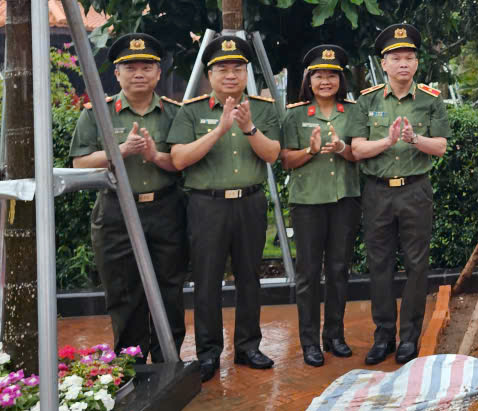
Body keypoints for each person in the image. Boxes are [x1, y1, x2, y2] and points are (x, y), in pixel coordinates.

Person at [168, 35, 282, 382]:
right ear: (210, 74)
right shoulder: (192, 110)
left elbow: (272, 154)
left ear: (246, 73)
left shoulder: (262, 108)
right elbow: (178, 159)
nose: (230, 75)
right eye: (222, 69)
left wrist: (248, 128)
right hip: (207, 205)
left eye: (237, 68)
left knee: (250, 277)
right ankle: (208, 353)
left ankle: (248, 346)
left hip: (250, 202)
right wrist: (219, 131)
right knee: (207, 280)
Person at [69, 33, 186, 361]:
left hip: (166, 210)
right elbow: (80, 162)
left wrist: (153, 155)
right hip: (117, 212)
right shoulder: (98, 113)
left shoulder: (174, 113)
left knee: (169, 288)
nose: (139, 74)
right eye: (130, 68)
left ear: (158, 73)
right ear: (117, 74)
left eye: (146, 67)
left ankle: (168, 362)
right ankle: (132, 363)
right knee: (123, 291)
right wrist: (119, 151)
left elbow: (183, 161)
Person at [351, 23, 450, 366]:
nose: (403, 63)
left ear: (417, 62)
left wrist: (414, 139)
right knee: (379, 265)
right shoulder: (367, 100)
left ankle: (409, 337)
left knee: (416, 265)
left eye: (409, 57)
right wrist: (388, 141)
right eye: (396, 58)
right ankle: (383, 336)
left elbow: (441, 146)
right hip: (377, 193)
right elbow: (357, 149)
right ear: (384, 63)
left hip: (415, 191)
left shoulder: (430, 100)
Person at [281, 45, 362, 367]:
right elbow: (286, 160)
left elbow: (359, 154)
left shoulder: (353, 112)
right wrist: (310, 151)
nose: (325, 81)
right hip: (307, 203)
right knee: (308, 273)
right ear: (309, 80)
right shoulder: (295, 114)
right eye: (318, 75)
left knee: (339, 269)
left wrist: (342, 148)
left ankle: (335, 336)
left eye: (331, 75)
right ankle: (310, 342)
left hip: (344, 201)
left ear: (340, 80)